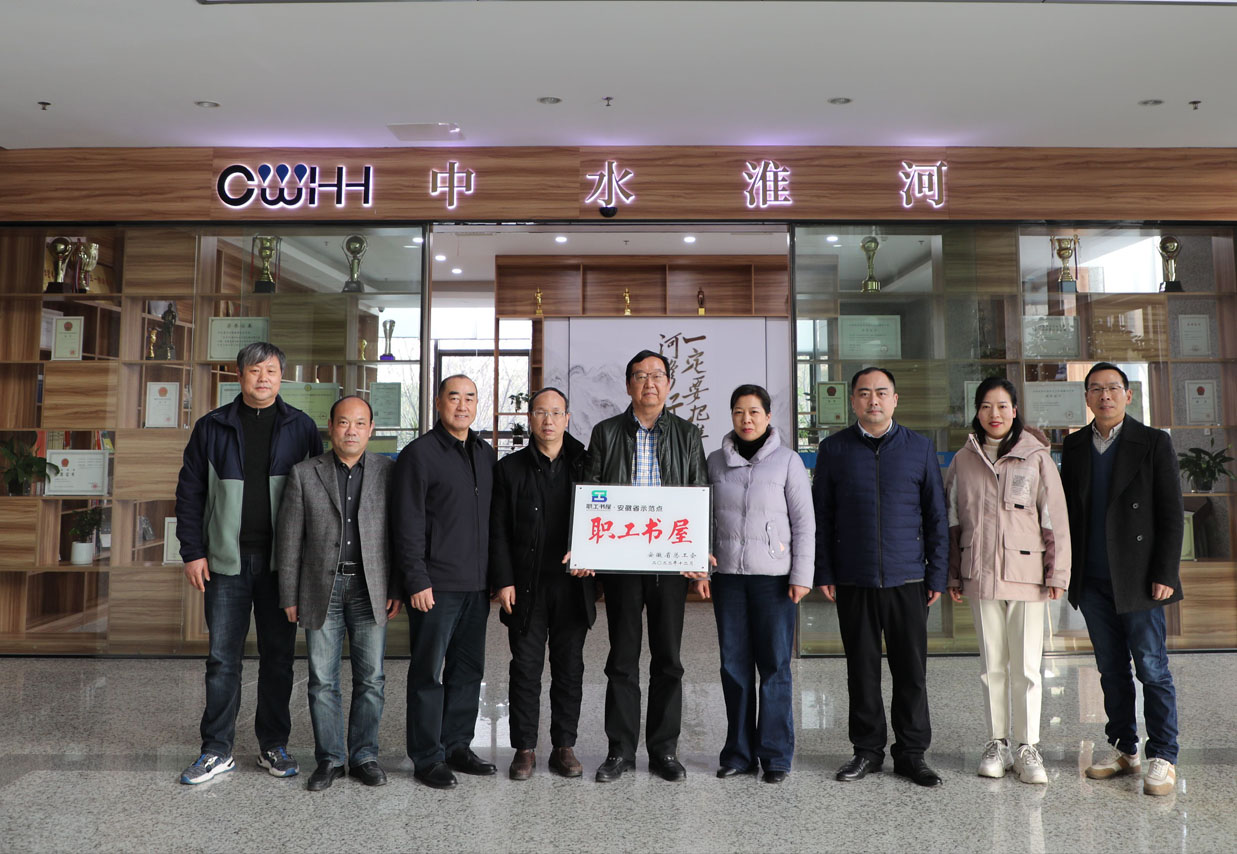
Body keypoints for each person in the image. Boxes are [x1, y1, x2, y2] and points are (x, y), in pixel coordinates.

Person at [175, 342, 322, 784]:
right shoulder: (212, 427)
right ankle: (216, 749)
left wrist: (309, 561)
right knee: (223, 659)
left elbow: (318, 498)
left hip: (283, 565)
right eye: (255, 371)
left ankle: (273, 745)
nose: (263, 378)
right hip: (226, 562)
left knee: (279, 659)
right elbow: (190, 492)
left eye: (271, 371)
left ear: (282, 377)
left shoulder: (301, 427)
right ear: (239, 377)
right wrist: (192, 551)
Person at [813, 366, 948, 788]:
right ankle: (867, 751)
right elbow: (822, 517)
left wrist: (937, 575)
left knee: (912, 672)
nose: (873, 400)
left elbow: (936, 517)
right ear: (853, 401)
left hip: (908, 579)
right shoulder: (834, 449)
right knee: (862, 670)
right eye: (864, 393)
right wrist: (825, 571)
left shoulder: (919, 448)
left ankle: (911, 754)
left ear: (895, 399)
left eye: (882, 392)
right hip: (855, 578)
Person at [582, 349, 709, 783]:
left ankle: (664, 751)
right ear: (628, 385)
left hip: (669, 563)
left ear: (669, 384)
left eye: (657, 375)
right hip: (622, 564)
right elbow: (591, 492)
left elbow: (699, 493)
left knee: (668, 658)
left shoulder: (687, 434)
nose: (649, 383)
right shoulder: (605, 433)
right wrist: (586, 550)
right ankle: (619, 750)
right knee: (622, 657)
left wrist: (700, 556)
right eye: (640, 376)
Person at [1060, 362, 1184, 797]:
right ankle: (1124, 748)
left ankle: (1163, 754)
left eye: (1113, 388)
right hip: (1092, 577)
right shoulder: (1075, 445)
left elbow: (1171, 512)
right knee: (1110, 668)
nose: (1105, 396)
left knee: (1151, 667)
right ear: (1087, 397)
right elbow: (1068, 513)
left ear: (1128, 396)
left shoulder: (1152, 442)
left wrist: (1165, 572)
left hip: (1140, 577)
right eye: (1096, 389)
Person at [944, 377, 1071, 785]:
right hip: (980, 577)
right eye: (986, 406)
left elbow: (1054, 520)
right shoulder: (963, 460)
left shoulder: (1036, 457)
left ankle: (1027, 746)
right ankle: (996, 743)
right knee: (991, 666)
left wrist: (1057, 572)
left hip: (1027, 578)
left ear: (1015, 411)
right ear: (977, 412)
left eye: (1002, 406)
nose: (994, 414)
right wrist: (953, 573)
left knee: (1027, 668)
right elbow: (952, 522)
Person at [276, 395, 400, 791]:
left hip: (370, 586)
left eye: (360, 423)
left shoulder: (389, 472)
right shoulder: (304, 473)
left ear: (371, 429)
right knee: (321, 680)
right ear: (330, 427)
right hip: (320, 588)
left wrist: (396, 586)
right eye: (344, 422)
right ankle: (330, 758)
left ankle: (364, 756)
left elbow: (399, 535)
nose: (351, 430)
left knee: (372, 678)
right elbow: (290, 539)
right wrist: (289, 594)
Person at [390, 374, 498, 789]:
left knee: (468, 671)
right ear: (439, 403)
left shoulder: (485, 454)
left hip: (476, 585)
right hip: (434, 586)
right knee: (428, 673)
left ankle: (457, 746)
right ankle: (427, 756)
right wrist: (416, 579)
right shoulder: (419, 454)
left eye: (470, 398)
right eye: (454, 397)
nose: (462, 405)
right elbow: (407, 523)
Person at [707, 384, 814, 784]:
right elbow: (702, 519)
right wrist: (701, 569)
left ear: (768, 417)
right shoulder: (716, 462)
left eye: (754, 412)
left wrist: (802, 576)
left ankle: (776, 756)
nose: (746, 419)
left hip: (775, 580)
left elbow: (804, 523)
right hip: (729, 580)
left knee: (774, 667)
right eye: (739, 412)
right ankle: (738, 754)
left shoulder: (788, 462)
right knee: (733, 667)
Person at [490, 387, 595, 780]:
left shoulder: (586, 464)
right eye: (540, 412)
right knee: (525, 668)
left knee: (569, 669)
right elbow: (497, 529)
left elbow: (603, 518)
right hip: (525, 586)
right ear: (530, 418)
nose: (548, 420)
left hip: (573, 586)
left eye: (556, 413)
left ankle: (564, 746)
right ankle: (525, 748)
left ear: (567, 418)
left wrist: (593, 557)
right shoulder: (509, 468)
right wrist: (503, 580)